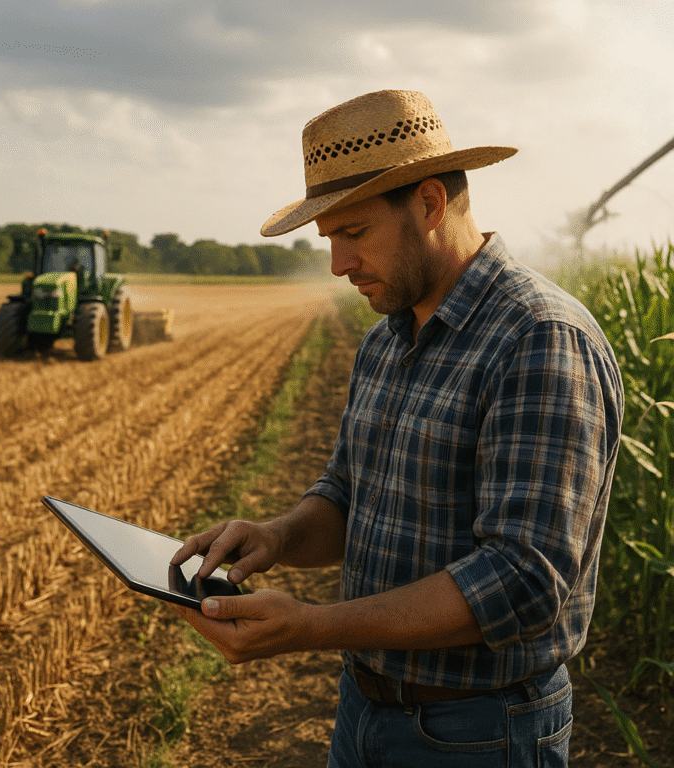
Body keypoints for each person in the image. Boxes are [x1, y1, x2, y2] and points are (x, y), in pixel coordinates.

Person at [171, 90, 624, 767]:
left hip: (480, 731)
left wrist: (312, 627)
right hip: (363, 709)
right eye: (330, 240)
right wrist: (277, 537)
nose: (338, 264)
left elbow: (522, 581)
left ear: (431, 203)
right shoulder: (384, 341)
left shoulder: (538, 339)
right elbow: (347, 497)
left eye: (354, 233)